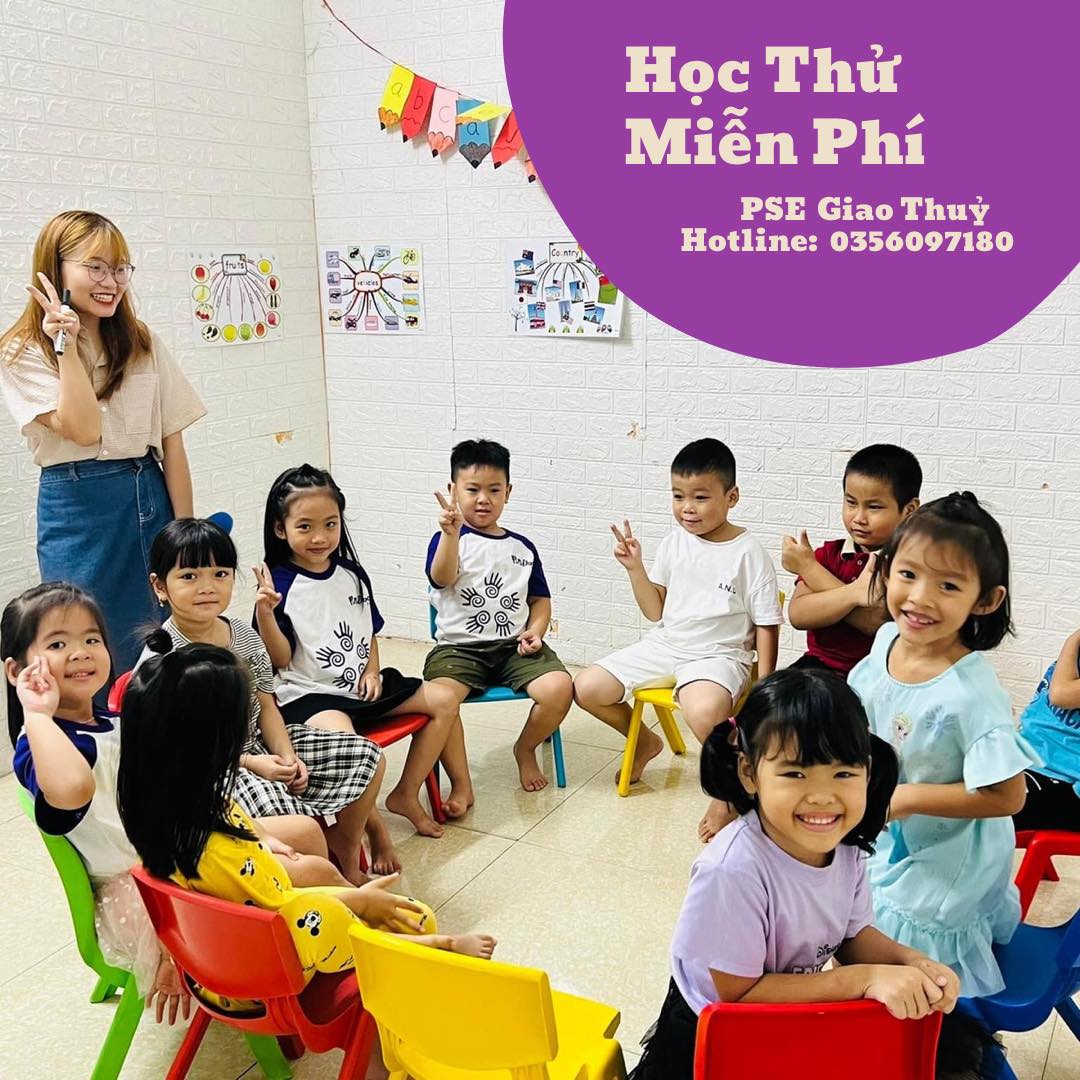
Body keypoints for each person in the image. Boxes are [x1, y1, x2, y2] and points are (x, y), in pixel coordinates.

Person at [115, 645, 496, 1011]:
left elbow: (236, 831)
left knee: (328, 876)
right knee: (412, 917)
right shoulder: (221, 854)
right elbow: (284, 910)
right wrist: (357, 902)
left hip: (217, 951)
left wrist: (262, 839)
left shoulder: (164, 802)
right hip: (260, 973)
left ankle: (392, 934)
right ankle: (432, 948)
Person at [632, 668, 960, 1080]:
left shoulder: (845, 844)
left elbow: (852, 935)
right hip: (718, 1033)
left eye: (843, 773)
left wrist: (911, 961)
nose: (822, 797)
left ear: (867, 770)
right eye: (794, 774)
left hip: (790, 1008)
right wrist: (864, 979)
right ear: (749, 773)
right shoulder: (731, 870)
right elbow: (739, 995)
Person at [849, 493, 1040, 997]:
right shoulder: (885, 641)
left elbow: (1009, 797)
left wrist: (909, 797)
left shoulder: (971, 693)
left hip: (954, 852)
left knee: (910, 960)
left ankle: (940, 1031)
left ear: (986, 600)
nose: (920, 598)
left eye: (948, 585)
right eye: (908, 574)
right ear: (886, 570)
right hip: (891, 826)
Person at [0, 211, 205, 672]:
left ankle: (155, 715)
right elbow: (83, 429)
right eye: (95, 267)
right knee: (79, 634)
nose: (111, 282)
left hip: (146, 491)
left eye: (119, 268)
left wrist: (186, 535)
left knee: (160, 631)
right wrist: (66, 347)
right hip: (76, 506)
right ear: (55, 268)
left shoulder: (141, 341)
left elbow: (172, 443)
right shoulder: (21, 350)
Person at [140, 517, 386, 884]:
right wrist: (252, 764)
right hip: (208, 771)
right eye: (189, 576)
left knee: (367, 756)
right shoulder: (163, 656)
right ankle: (320, 888)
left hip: (257, 743)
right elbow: (175, 752)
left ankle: (346, 855)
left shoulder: (242, 634)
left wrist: (287, 757)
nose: (207, 587)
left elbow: (267, 706)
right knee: (296, 822)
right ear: (160, 586)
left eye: (220, 574)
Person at [573, 438, 783, 841]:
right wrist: (635, 569)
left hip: (719, 655)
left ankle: (728, 791)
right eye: (678, 496)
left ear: (732, 497)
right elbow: (655, 611)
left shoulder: (748, 552)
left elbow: (767, 623)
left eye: (700, 497)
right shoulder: (674, 542)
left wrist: (764, 686)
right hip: (667, 644)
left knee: (703, 714)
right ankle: (645, 742)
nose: (687, 507)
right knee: (586, 687)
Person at [255, 464, 464, 854]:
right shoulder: (279, 583)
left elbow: (368, 630)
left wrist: (371, 669)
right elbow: (280, 661)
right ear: (280, 529)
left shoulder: (351, 573)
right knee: (352, 746)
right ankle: (370, 828)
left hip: (359, 688)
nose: (320, 537)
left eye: (330, 524)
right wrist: (265, 614)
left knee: (445, 699)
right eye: (305, 527)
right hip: (309, 695)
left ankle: (405, 793)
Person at [3, 582, 188, 1023]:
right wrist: (36, 713)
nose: (81, 653)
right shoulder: (43, 744)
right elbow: (72, 789)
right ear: (17, 671)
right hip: (143, 890)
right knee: (278, 895)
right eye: (57, 644)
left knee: (297, 837)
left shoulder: (109, 719)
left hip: (171, 855)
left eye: (91, 639)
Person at [425, 439, 572, 794]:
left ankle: (525, 748)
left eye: (494, 490)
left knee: (560, 687)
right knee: (440, 699)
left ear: (508, 491)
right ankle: (461, 783)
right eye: (472, 489)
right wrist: (449, 535)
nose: (483, 499)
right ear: (453, 490)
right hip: (458, 649)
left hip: (513, 648)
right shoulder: (448, 539)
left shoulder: (522, 547)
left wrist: (536, 630)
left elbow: (540, 600)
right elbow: (441, 578)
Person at [784, 444, 921, 675]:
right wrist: (854, 593)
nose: (859, 518)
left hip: (880, 672)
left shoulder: (909, 565)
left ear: (909, 510)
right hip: (819, 667)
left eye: (874, 507)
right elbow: (798, 614)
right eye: (851, 502)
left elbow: (874, 622)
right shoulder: (828, 555)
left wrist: (809, 568)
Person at [1012, 629, 1080, 831]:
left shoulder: (1075, 645)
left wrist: (1074, 638)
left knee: (973, 804)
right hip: (1028, 760)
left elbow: (1060, 695)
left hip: (1063, 781)